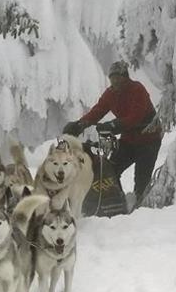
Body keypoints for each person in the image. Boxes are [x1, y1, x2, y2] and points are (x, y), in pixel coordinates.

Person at [63, 60, 163, 211]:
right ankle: (119, 202)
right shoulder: (111, 93)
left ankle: (142, 211)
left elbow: (136, 116)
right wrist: (80, 124)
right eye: (112, 78)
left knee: (142, 180)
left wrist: (114, 125)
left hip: (149, 141)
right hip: (128, 141)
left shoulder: (137, 89)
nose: (115, 81)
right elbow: (98, 110)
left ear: (126, 77)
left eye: (118, 77)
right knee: (111, 171)